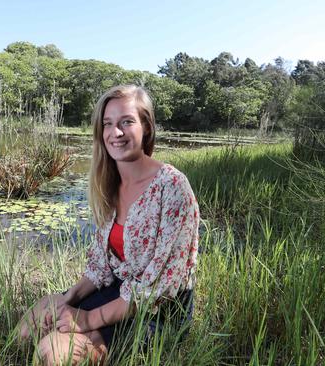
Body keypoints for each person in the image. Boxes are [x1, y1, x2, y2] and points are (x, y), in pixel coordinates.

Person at [17, 85, 200, 365]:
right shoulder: (110, 185)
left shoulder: (172, 187)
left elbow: (158, 290)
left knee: (52, 350)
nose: (115, 133)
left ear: (146, 127)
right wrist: (68, 298)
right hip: (118, 289)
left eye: (126, 121)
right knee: (32, 322)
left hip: (156, 310)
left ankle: (99, 345)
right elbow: (101, 267)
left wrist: (87, 319)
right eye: (108, 124)